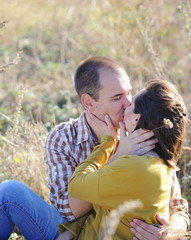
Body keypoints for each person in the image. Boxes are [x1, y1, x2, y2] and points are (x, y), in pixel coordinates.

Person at [0, 57, 188, 240]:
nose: (128, 104)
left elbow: (178, 206)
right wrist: (118, 157)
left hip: (115, 230)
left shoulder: (142, 132)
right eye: (117, 98)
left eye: (129, 93)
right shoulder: (63, 138)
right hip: (67, 231)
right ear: (89, 103)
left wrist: (168, 233)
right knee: (9, 192)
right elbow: (69, 211)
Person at [58, 79, 188, 240]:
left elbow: (76, 186)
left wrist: (108, 144)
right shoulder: (164, 163)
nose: (125, 105)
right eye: (118, 97)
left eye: (130, 101)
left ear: (136, 119)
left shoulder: (135, 165)